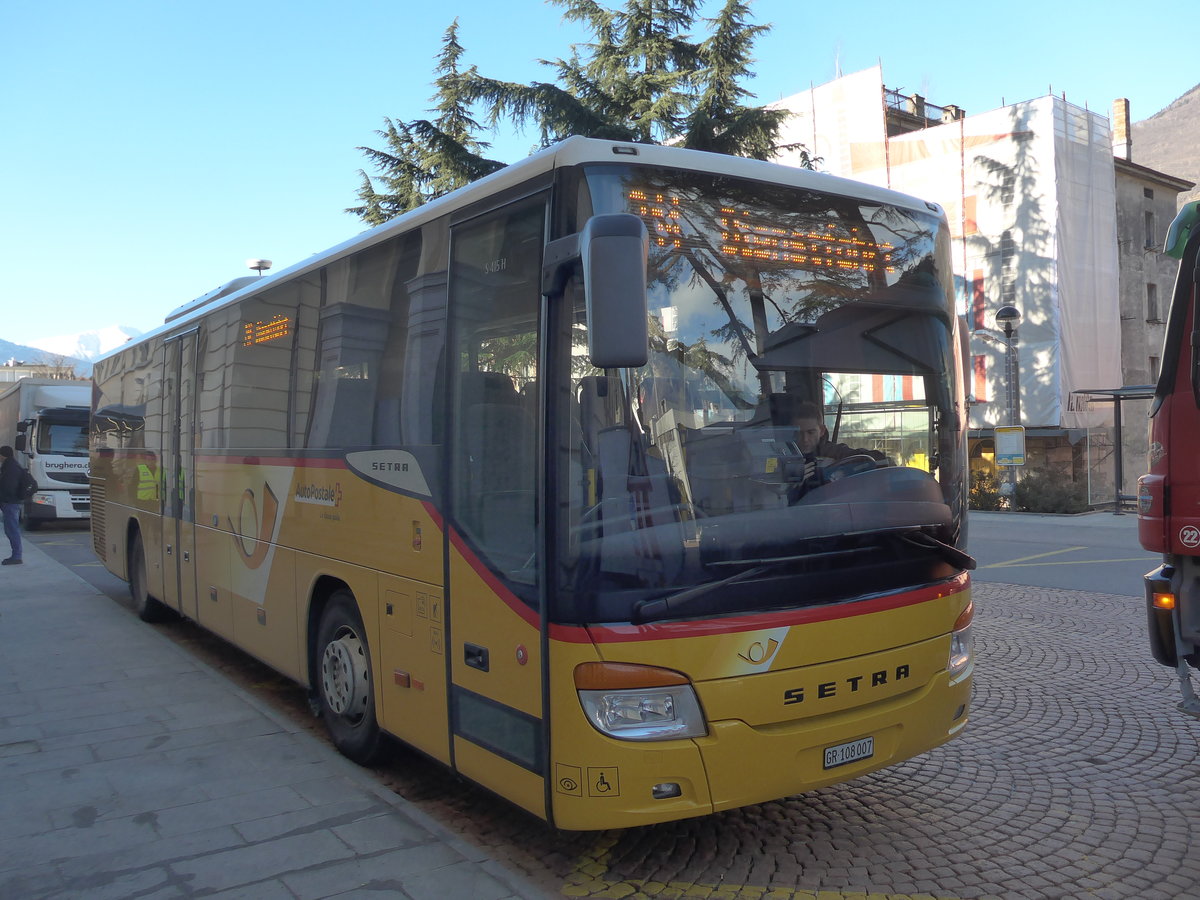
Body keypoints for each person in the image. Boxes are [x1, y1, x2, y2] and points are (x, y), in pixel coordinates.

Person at [790, 400, 885, 462]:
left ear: (822, 431)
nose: (805, 439)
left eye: (810, 432)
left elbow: (870, 458)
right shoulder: (783, 456)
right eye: (799, 433)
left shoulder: (834, 453)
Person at [0, 445, 24, 565]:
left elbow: (8, 487)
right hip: (11, 502)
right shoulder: (12, 465)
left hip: (10, 502)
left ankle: (16, 556)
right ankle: (16, 555)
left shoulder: (10, 467)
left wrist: (3, 499)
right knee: (10, 529)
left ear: (3, 455)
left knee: (12, 530)